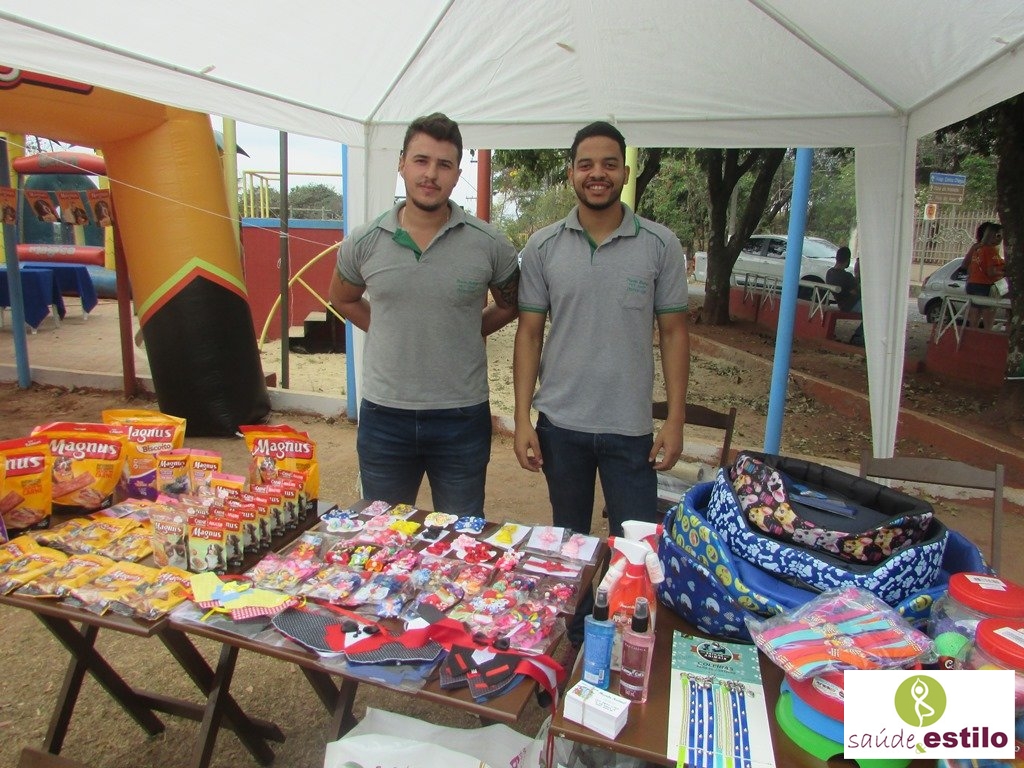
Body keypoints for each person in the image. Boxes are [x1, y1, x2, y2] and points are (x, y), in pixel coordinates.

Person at [328, 112, 520, 517]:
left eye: (444, 164)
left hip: (461, 417)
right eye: (421, 160)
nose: (431, 174)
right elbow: (343, 298)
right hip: (384, 416)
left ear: (457, 174)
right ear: (401, 163)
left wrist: (467, 329)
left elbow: (510, 304)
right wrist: (388, 328)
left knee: (462, 533)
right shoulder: (363, 242)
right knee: (382, 532)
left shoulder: (490, 244)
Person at [513, 120, 690, 540]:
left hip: (630, 427)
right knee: (569, 543)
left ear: (625, 173)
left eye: (609, 164)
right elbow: (529, 334)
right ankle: (577, 590)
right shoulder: (543, 246)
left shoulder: (660, 245)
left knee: (636, 545)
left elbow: (674, 334)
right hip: (560, 425)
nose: (598, 174)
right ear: (571, 173)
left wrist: (676, 419)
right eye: (586, 165)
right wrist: (521, 419)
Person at [966, 221, 1005, 329]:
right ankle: (988, 336)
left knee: (974, 319)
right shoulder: (990, 250)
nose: (1001, 239)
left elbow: (969, 267)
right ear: (992, 235)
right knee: (988, 320)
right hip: (985, 285)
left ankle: (973, 336)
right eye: (999, 235)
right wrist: (1004, 273)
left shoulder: (978, 249)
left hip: (973, 283)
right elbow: (991, 272)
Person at [825, 245, 864, 345]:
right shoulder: (847, 276)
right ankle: (858, 337)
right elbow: (857, 291)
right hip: (851, 305)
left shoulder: (829, 273)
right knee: (872, 313)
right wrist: (858, 276)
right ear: (847, 260)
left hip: (841, 303)